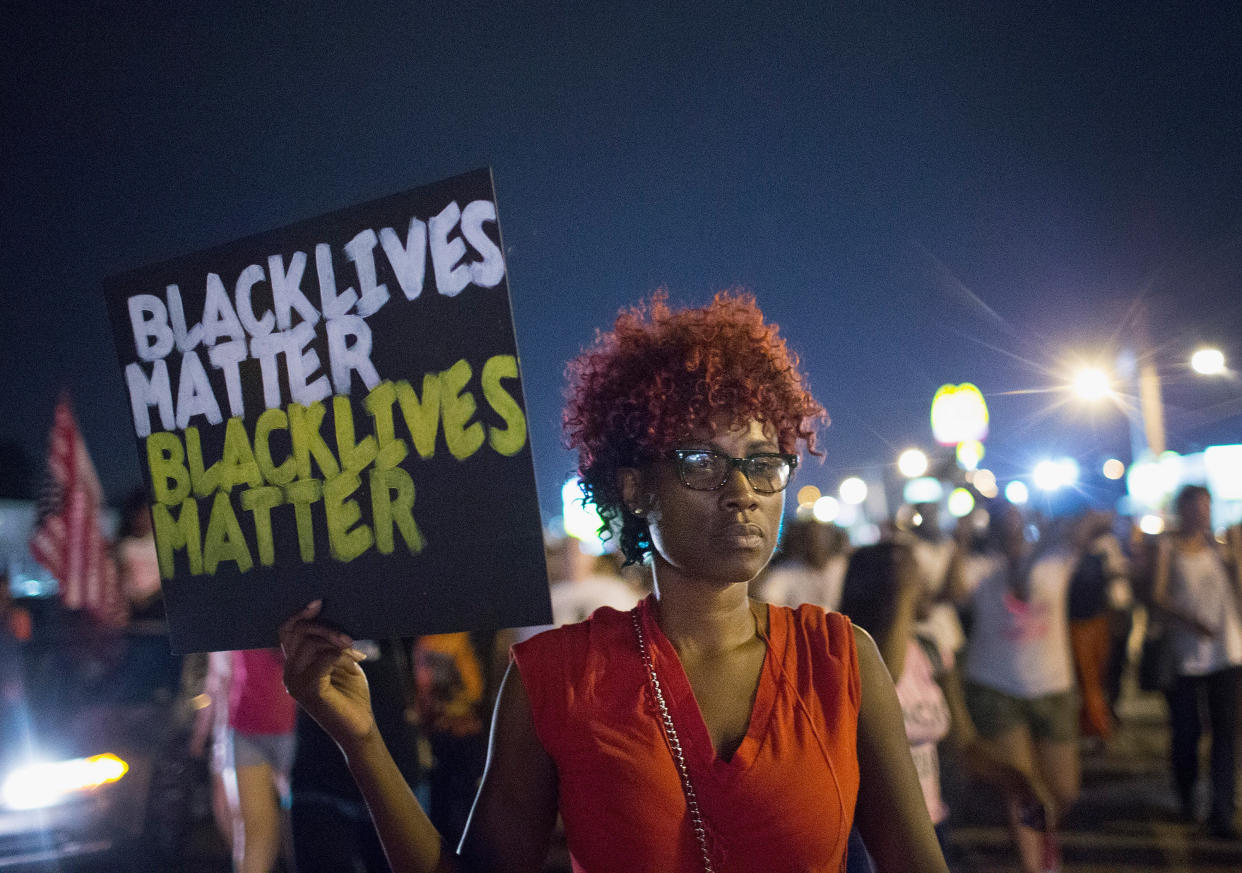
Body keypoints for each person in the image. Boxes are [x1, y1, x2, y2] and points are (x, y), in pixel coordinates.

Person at [280, 291, 948, 873]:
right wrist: (362, 740)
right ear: (633, 489)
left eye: (764, 463)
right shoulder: (558, 676)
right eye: (702, 462)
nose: (742, 490)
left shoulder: (838, 660)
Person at [839, 542, 1049, 870]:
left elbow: (964, 744)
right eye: (917, 578)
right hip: (868, 833)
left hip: (930, 824)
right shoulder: (845, 655)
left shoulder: (931, 652)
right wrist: (904, 595)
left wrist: (1017, 779)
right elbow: (888, 675)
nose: (929, 588)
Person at [948, 501, 1080, 873]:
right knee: (1021, 786)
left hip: (1054, 688)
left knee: (1063, 789)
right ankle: (1036, 864)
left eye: (1018, 520)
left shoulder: (1054, 560)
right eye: (1004, 522)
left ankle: (1041, 837)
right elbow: (955, 591)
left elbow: (1093, 525)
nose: (1012, 528)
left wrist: (1055, 523)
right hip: (996, 687)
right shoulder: (982, 566)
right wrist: (959, 539)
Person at [1150, 484, 1242, 838]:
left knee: (1225, 735)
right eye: (1195, 507)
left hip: (1227, 653)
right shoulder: (1168, 548)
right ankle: (1187, 795)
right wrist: (1190, 620)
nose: (1202, 514)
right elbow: (1157, 596)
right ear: (1182, 511)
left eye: (1206, 506)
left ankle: (1223, 810)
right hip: (1185, 657)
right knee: (1186, 732)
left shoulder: (1222, 549)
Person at [220, 647, 298, 873]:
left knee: (255, 835)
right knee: (303, 830)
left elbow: (222, 673)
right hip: (287, 720)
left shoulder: (228, 612)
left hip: (248, 717)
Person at [753, 518, 849, 611]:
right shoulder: (786, 572)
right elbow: (769, 600)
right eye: (811, 538)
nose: (817, 543)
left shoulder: (844, 568)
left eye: (823, 537)